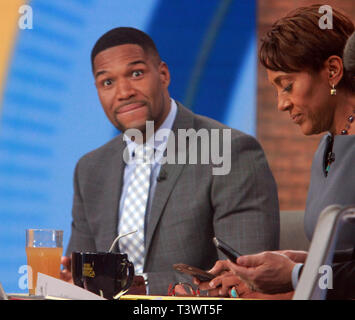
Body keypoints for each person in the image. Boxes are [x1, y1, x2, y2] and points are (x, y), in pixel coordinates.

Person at [60, 27, 280, 295]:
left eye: (136, 73)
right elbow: (80, 275)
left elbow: (244, 280)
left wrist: (138, 285)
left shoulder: (229, 150)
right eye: (107, 82)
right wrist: (73, 280)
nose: (124, 92)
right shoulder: (91, 169)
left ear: (163, 74)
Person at [195, 5, 355, 300]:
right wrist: (293, 261)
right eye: (276, 89)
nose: (282, 104)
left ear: (332, 71)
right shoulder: (328, 147)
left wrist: (293, 274)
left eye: (287, 85)